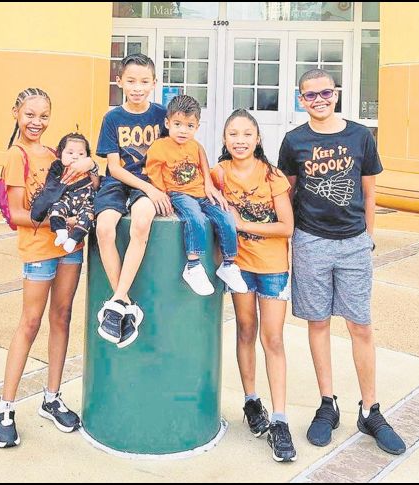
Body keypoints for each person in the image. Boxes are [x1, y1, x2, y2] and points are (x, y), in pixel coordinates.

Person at [277, 69, 406, 455]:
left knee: (360, 326)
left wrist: (368, 238)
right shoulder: (293, 141)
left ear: (336, 94)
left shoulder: (360, 135)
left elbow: (370, 192)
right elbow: (285, 192)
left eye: (325, 93)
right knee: (318, 324)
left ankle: (370, 410)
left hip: (352, 243)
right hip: (311, 241)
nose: (318, 100)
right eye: (310, 95)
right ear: (301, 99)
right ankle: (327, 404)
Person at [0, 88, 98, 448]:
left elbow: (84, 187)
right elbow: (19, 212)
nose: (37, 122)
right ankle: (4, 407)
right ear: (16, 114)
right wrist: (56, 222)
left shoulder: (57, 153)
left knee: (62, 316)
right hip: (40, 246)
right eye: (30, 115)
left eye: (43, 116)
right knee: (30, 322)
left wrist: (92, 166)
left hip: (70, 247)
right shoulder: (16, 155)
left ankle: (51, 397)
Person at [211, 109, 297, 463]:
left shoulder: (272, 176)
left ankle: (280, 419)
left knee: (272, 338)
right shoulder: (218, 173)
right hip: (240, 267)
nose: (240, 140)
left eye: (247, 134)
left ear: (258, 139)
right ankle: (251, 401)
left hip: (272, 267)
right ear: (225, 140)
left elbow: (286, 227)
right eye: (233, 134)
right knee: (246, 329)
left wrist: (242, 222)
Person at [93, 53, 167, 349]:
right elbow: (114, 167)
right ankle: (123, 301)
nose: (138, 87)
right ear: (119, 81)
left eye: (144, 81)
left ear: (154, 83)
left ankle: (117, 305)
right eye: (132, 81)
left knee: (141, 222)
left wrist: (154, 189)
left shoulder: (161, 115)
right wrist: (147, 189)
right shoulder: (112, 118)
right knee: (104, 229)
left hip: (151, 183)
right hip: (119, 182)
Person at [145, 94, 247, 296]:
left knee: (226, 216)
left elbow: (203, 167)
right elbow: (154, 172)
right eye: (178, 124)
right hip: (179, 194)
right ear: (167, 123)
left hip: (200, 193)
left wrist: (210, 187)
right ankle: (193, 265)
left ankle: (228, 264)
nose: (183, 130)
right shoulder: (160, 147)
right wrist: (161, 195)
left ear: (197, 127)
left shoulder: (195, 146)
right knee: (196, 217)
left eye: (190, 126)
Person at [31, 132, 100, 254]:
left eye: (81, 154)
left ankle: (73, 240)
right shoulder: (58, 168)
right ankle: (61, 232)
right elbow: (50, 190)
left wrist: (92, 166)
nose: (75, 156)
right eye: (70, 152)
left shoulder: (88, 169)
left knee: (87, 216)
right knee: (56, 208)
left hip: (84, 202)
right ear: (60, 154)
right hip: (66, 201)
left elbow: (96, 187)